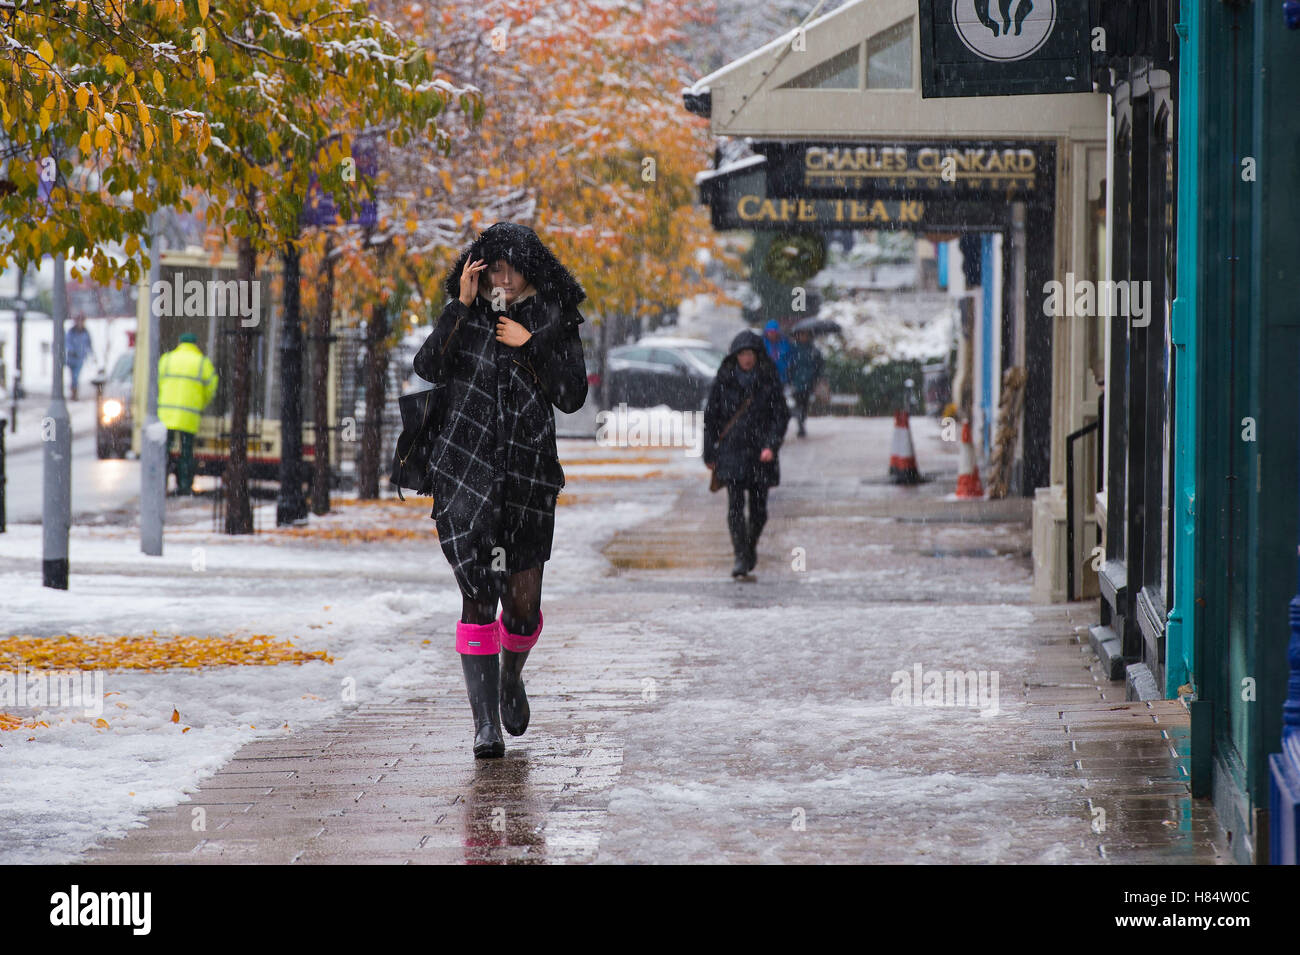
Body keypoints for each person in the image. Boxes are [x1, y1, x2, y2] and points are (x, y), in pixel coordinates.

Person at [413, 222, 588, 759]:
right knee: (477, 595)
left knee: (521, 606)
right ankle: (484, 724)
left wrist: (532, 344)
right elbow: (427, 367)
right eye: (493, 269)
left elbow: (573, 396)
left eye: (512, 269)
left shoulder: (553, 317)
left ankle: (510, 677)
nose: (503, 280)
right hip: (469, 478)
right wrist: (461, 307)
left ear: (530, 269)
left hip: (529, 481)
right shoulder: (468, 316)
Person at [704, 329, 790, 578]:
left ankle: (750, 546)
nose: (746, 358)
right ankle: (740, 555)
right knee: (735, 506)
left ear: (757, 354)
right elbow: (711, 418)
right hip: (732, 450)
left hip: (760, 454)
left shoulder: (768, 379)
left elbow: (780, 416)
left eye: (750, 353)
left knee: (759, 510)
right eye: (742, 354)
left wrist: (770, 445)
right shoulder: (724, 379)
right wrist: (709, 453)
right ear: (735, 356)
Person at [158, 332, 218, 495]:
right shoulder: (202, 363)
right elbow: (212, 386)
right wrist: (201, 403)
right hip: (189, 416)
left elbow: (157, 382)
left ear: (179, 343)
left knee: (163, 453)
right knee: (186, 453)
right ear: (196, 345)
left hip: (166, 415)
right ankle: (184, 486)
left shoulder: (167, 359)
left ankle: (160, 484)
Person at [788, 329, 825, 438]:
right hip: (796, 382)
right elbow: (789, 364)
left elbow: (820, 365)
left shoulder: (813, 350)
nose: (803, 337)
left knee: (804, 404)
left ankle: (801, 423)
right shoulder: (793, 349)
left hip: (808, 382)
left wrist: (817, 377)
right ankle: (800, 425)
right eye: (801, 335)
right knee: (799, 403)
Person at [65, 315, 93, 401]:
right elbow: (67, 342)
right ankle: (73, 391)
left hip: (80, 358)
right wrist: (72, 350)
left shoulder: (85, 332)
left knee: (75, 376)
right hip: (71, 358)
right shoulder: (71, 332)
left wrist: (90, 354)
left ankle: (74, 393)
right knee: (73, 376)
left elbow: (89, 344)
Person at [763, 318, 792, 386]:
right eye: (769, 332)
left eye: (773, 332)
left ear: (777, 332)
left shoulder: (785, 342)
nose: (771, 334)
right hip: (767, 377)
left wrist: (788, 367)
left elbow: (790, 357)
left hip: (782, 377)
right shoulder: (762, 343)